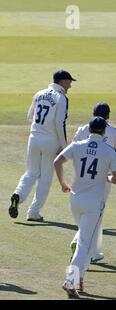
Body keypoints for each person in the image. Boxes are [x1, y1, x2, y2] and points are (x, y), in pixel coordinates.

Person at [54, 116, 116, 298]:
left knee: (87, 241)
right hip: (94, 203)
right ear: (104, 132)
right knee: (85, 244)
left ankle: (80, 277)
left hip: (75, 201)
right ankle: (70, 280)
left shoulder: (77, 145)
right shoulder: (109, 151)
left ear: (90, 130)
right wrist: (105, 178)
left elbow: (57, 162)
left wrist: (63, 183)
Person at [9, 70, 76, 222]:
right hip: (50, 141)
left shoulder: (38, 94)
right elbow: (60, 123)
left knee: (30, 173)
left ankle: (18, 195)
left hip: (34, 137)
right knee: (45, 177)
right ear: (62, 82)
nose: (70, 85)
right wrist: (64, 146)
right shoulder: (62, 98)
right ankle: (33, 212)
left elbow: (30, 117)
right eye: (69, 82)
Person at [70, 102, 116, 264]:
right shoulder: (115, 132)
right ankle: (88, 250)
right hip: (103, 179)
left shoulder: (83, 129)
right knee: (95, 214)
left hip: (80, 176)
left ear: (93, 114)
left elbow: (72, 151)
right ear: (108, 116)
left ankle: (88, 248)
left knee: (86, 213)